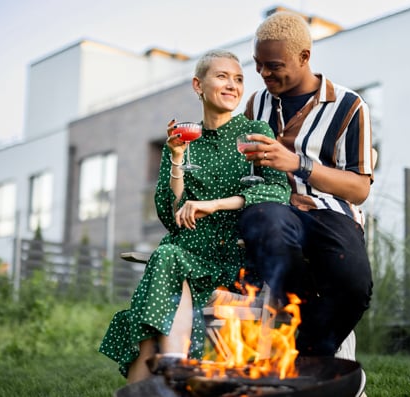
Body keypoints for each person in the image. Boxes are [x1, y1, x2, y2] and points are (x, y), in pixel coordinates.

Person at [98, 49, 290, 383]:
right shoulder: (184, 141)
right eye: (222, 77)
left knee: (150, 322)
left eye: (239, 79)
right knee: (170, 255)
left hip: (235, 260)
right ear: (198, 85)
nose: (232, 85)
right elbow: (171, 216)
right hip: (188, 257)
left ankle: (170, 370)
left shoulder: (255, 132)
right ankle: (175, 368)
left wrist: (214, 204)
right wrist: (175, 159)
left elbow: (277, 192)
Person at [238, 10, 375, 358]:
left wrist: (298, 164)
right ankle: (312, 349)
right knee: (264, 220)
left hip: (330, 212)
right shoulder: (256, 105)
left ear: (304, 57)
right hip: (274, 209)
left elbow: (359, 188)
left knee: (354, 284)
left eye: (273, 65)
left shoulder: (349, 106)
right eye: (258, 64)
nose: (263, 73)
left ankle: (307, 353)